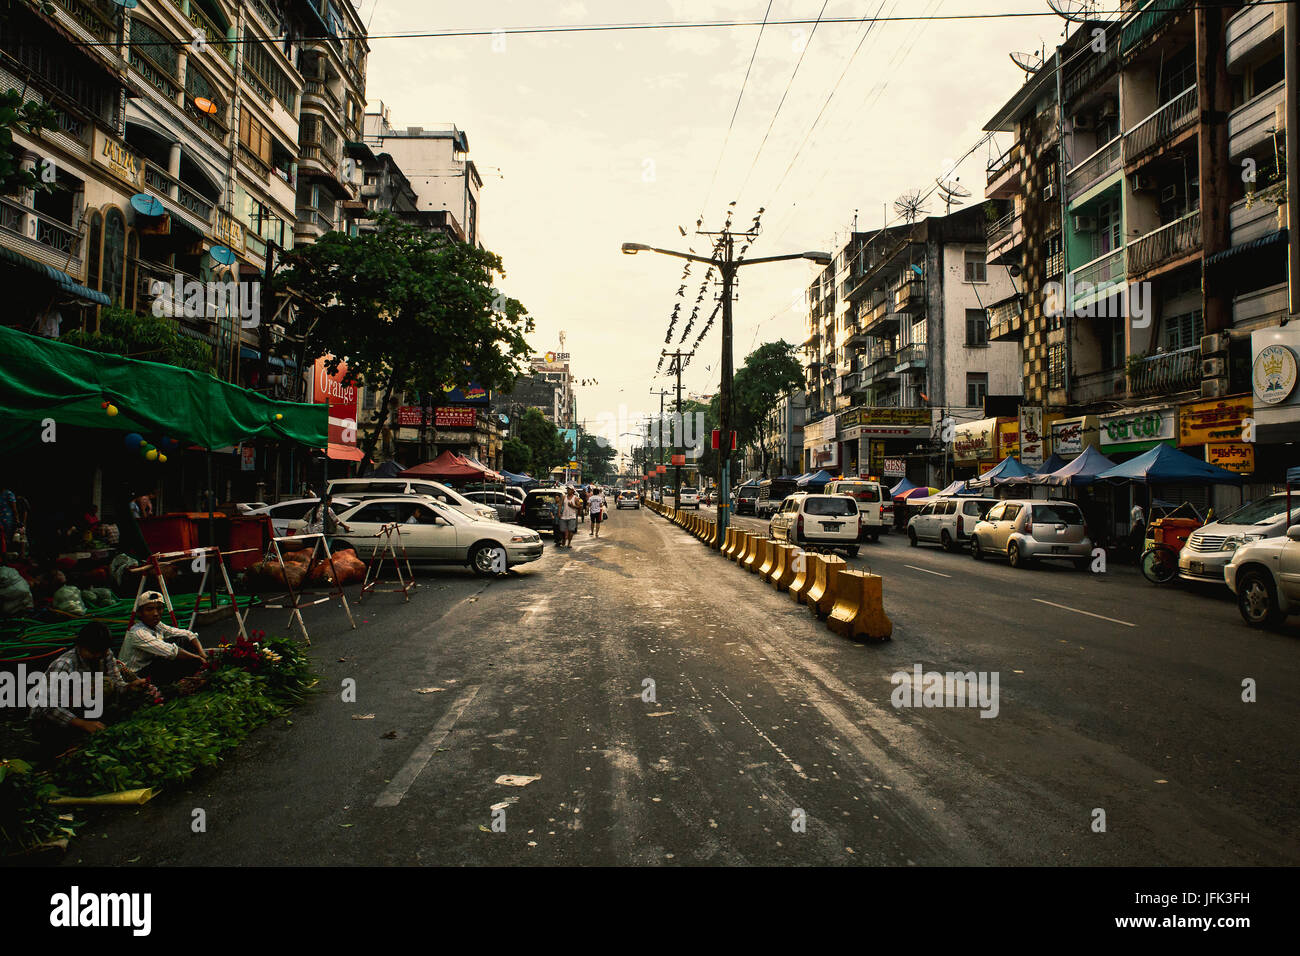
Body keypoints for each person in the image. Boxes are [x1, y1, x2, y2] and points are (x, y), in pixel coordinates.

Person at [30, 622, 147, 754]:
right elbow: (47, 707)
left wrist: (129, 687)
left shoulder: (105, 654)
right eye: (92, 652)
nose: (97, 656)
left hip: (80, 707)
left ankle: (85, 728)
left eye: (101, 652)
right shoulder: (64, 665)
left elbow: (116, 683)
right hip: (50, 719)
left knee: (106, 685)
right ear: (80, 646)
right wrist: (83, 723)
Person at [119, 591, 208, 685]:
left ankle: (193, 673)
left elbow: (188, 634)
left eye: (159, 608)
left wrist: (202, 653)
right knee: (172, 660)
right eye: (149, 609)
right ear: (140, 613)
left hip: (150, 664)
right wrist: (197, 658)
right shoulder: (138, 633)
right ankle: (186, 679)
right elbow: (170, 651)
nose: (155, 613)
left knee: (183, 639)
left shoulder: (157, 625)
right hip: (135, 675)